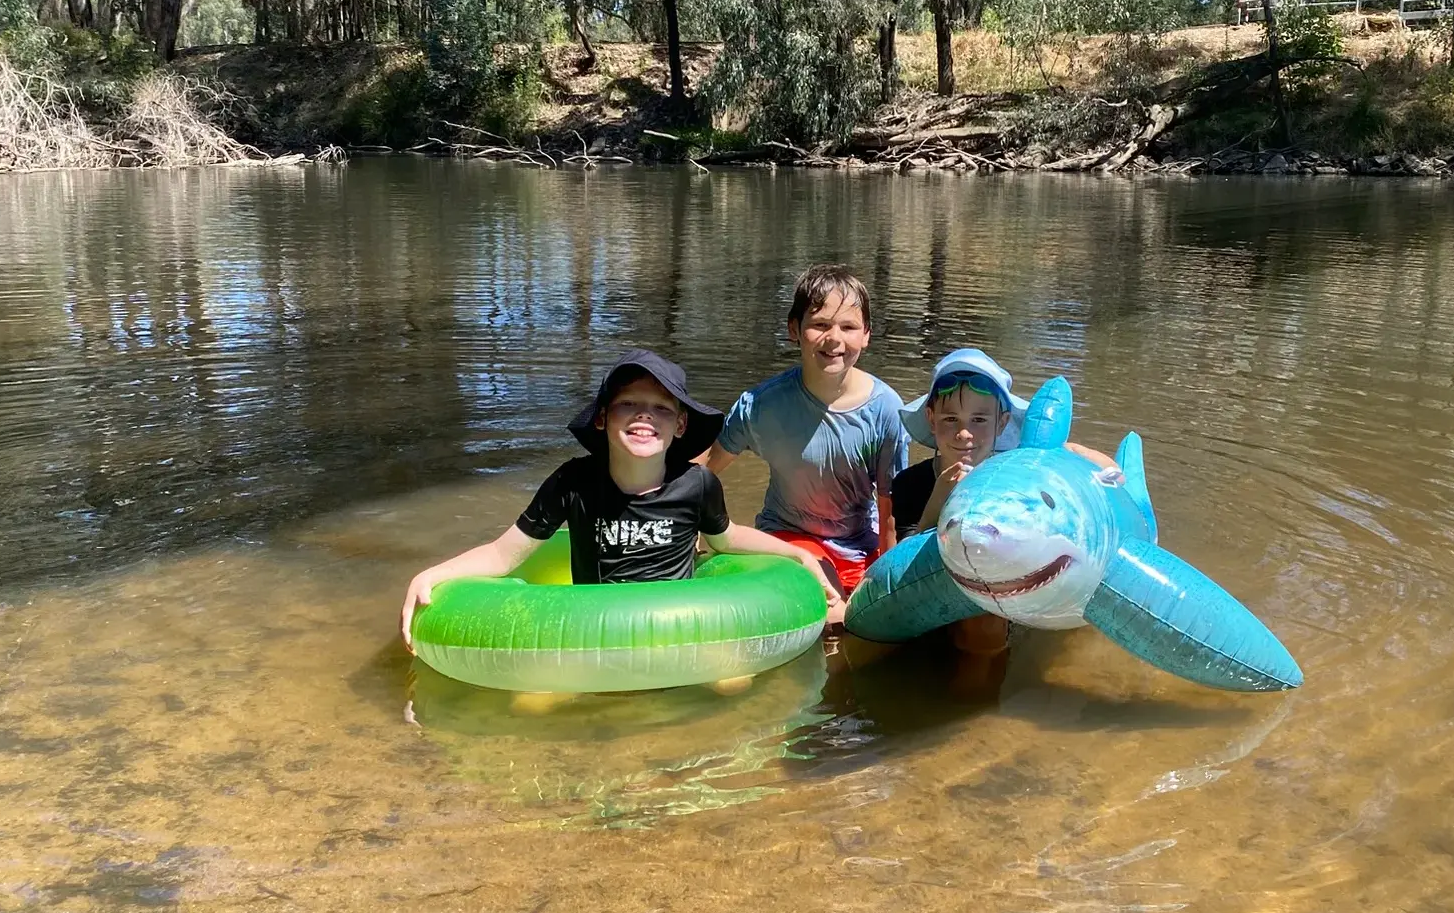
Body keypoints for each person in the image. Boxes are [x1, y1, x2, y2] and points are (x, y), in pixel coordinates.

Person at [399, 348, 841, 653]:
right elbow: (503, 554)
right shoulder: (572, 482)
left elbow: (726, 539)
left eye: (661, 408)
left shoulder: (697, 484)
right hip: (593, 633)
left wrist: (799, 557)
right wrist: (434, 574)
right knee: (535, 703)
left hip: (681, 629)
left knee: (732, 686)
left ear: (681, 425)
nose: (645, 416)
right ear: (603, 418)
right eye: (628, 404)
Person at [702, 265, 910, 612]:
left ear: (867, 335)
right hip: (789, 535)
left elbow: (890, 508)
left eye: (848, 327)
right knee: (823, 602)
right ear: (794, 330)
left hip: (859, 540)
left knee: (861, 616)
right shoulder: (762, 406)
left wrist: (885, 583)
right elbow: (704, 470)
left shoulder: (886, 409)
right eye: (820, 325)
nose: (834, 339)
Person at [893, 349, 1117, 655]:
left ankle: (981, 685)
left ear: (1002, 422)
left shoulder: (1011, 478)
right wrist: (939, 496)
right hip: (935, 597)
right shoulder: (909, 484)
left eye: (979, 419)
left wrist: (1071, 452)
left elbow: (1106, 473)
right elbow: (903, 564)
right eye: (950, 419)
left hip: (997, 601)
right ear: (931, 420)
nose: (964, 433)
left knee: (984, 625)